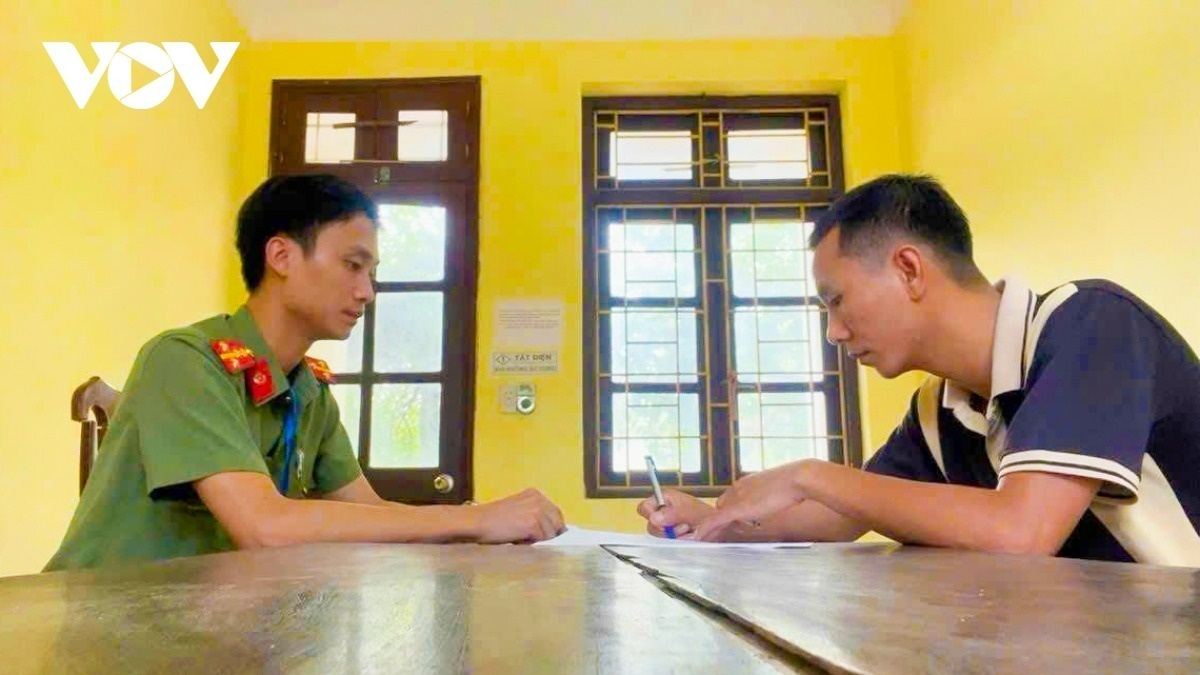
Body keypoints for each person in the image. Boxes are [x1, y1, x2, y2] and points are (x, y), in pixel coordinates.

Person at [638, 174, 1200, 566]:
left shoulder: (1091, 323)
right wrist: (713, 522)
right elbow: (838, 518)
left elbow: (1021, 530)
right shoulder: (940, 411)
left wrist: (808, 472)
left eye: (836, 301)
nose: (834, 332)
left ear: (909, 270)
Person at [46, 174, 564, 571]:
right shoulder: (185, 359)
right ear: (281, 255)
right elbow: (264, 527)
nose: (367, 292)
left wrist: (476, 529)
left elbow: (370, 513)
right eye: (353, 265)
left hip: (204, 628)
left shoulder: (306, 389)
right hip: (102, 630)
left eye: (372, 272)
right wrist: (472, 519)